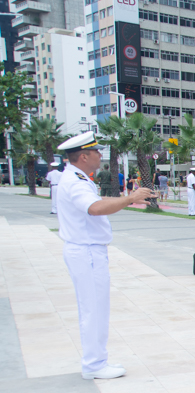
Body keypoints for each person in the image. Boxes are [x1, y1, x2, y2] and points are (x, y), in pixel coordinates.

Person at [55, 132, 155, 379]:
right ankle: (94, 364)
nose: (101, 154)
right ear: (84, 155)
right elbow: (95, 208)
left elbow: (97, 200)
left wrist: (127, 198)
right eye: (96, 151)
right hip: (86, 251)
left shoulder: (76, 177)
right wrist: (130, 198)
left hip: (86, 250)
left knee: (94, 308)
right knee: (94, 309)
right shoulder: (76, 181)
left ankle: (96, 360)